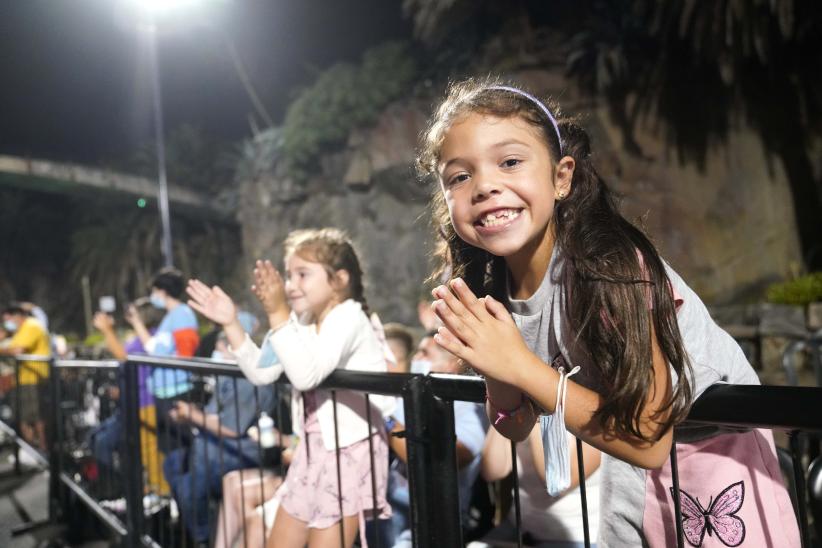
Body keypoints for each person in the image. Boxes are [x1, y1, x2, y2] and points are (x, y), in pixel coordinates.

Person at [419, 79, 800, 546]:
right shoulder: (490, 291)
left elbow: (648, 435)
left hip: (715, 456)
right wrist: (497, 369)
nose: (485, 185)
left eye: (510, 162)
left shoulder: (610, 267)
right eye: (459, 176)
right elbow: (515, 425)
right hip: (629, 462)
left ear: (562, 178)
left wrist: (518, 364)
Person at [187, 228, 393, 548]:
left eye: (302, 274)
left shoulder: (349, 317)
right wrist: (231, 323)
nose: (290, 284)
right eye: (288, 275)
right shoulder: (302, 320)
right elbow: (261, 371)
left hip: (348, 455)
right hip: (310, 453)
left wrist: (277, 312)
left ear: (339, 279)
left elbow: (307, 376)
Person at [385, 332, 488, 547]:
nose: (416, 358)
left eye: (425, 353)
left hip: (434, 514)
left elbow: (442, 457)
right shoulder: (412, 397)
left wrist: (386, 422)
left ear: (450, 365)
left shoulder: (470, 409)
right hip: (391, 500)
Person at [473, 426, 601, 547]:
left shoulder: (592, 412)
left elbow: (558, 484)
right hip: (518, 526)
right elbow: (492, 472)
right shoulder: (523, 407)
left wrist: (539, 414)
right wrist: (504, 410)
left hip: (575, 533)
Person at [130, 267, 200, 452]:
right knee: (169, 449)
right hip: (166, 392)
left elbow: (162, 350)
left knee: (179, 449)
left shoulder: (182, 315)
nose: (153, 295)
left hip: (176, 392)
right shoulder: (173, 316)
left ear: (162, 291)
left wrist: (137, 323)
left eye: (154, 291)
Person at [1, 303, 51, 450]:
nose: (7, 324)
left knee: (36, 417)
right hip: (23, 379)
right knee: (23, 417)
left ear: (18, 316)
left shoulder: (31, 326)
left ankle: (42, 450)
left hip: (33, 379)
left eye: (8, 320)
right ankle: (30, 450)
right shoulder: (20, 331)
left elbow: (17, 350)